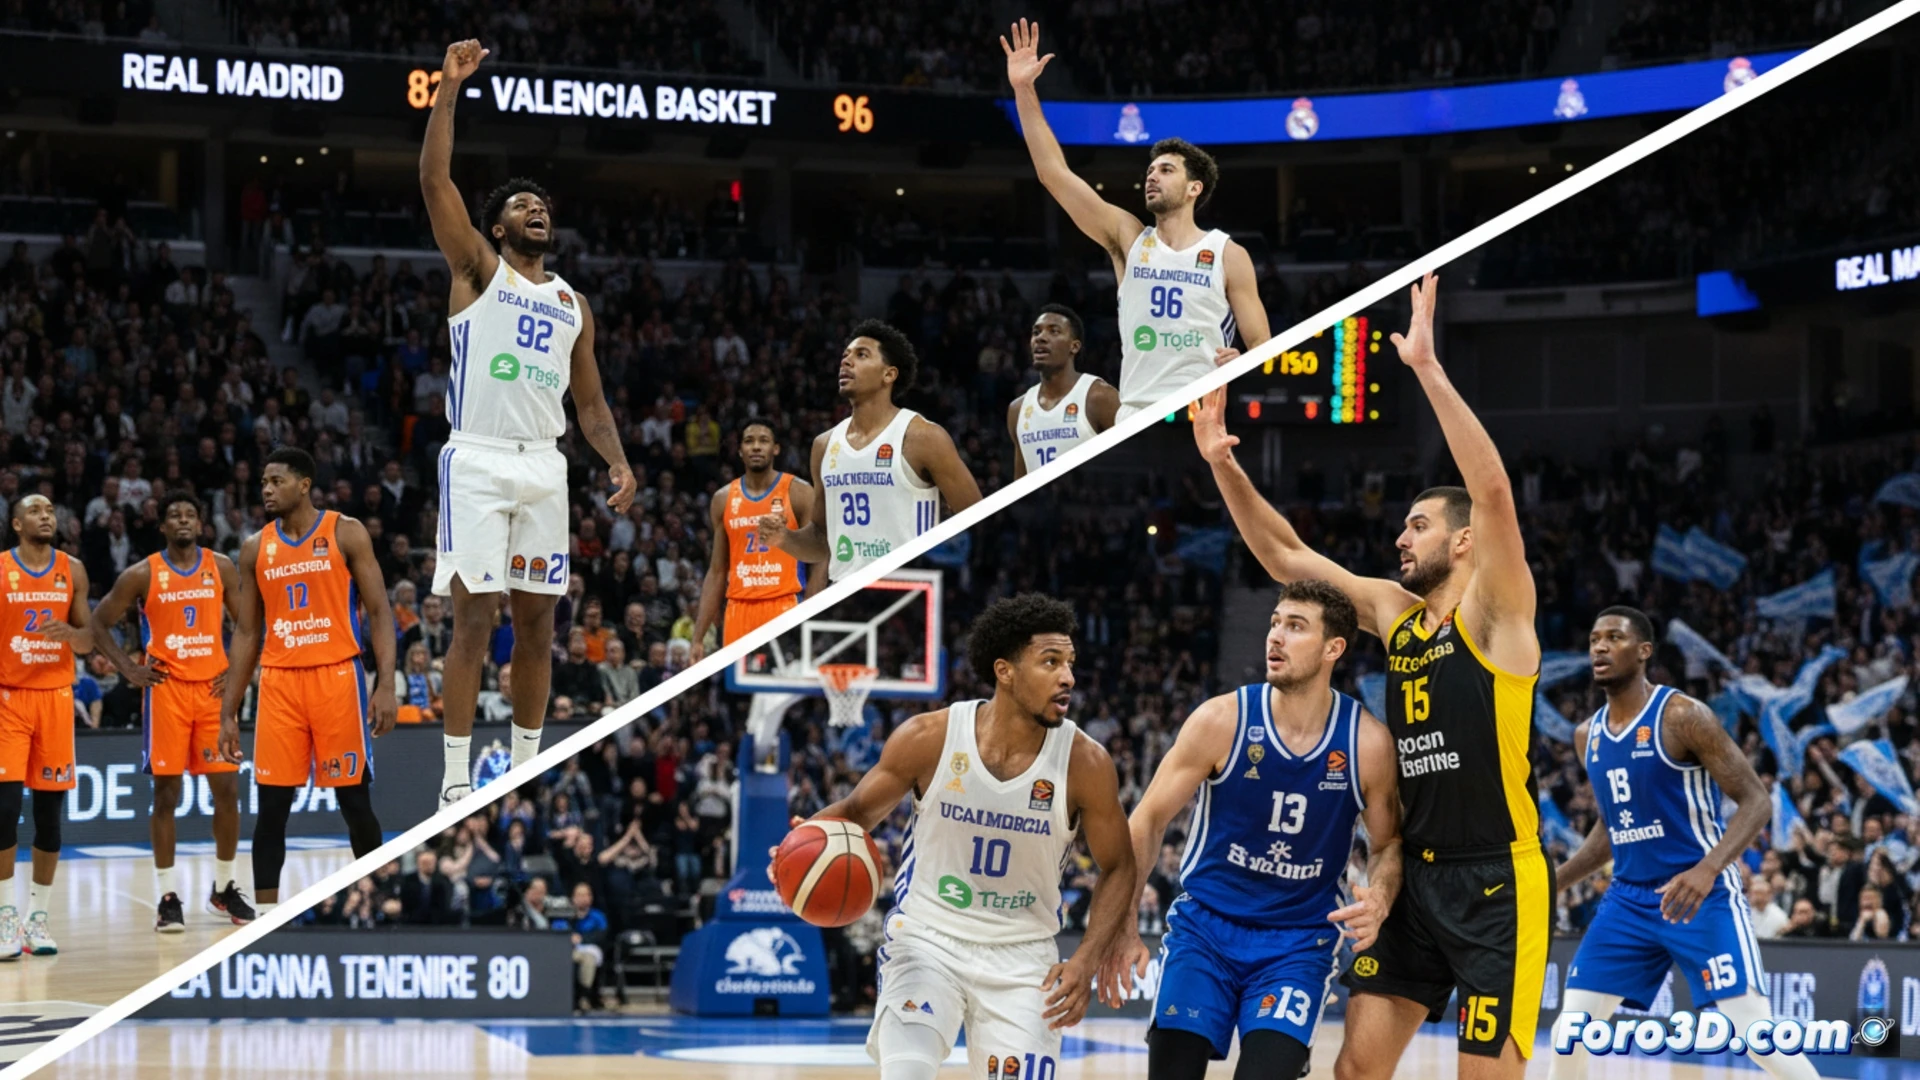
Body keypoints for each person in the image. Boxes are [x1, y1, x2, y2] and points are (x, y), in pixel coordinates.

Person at [1195, 275, 1546, 1079]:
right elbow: (1287, 558)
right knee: (1354, 1069)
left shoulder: (1495, 613)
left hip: (1499, 880)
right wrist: (1223, 464)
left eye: (1418, 526)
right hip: (1416, 879)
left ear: (1462, 544)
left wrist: (1427, 368)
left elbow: (1493, 496)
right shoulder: (1393, 614)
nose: (1400, 539)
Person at [784, 595, 1139, 1079]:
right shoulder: (928, 737)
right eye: (1051, 662)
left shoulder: (1086, 763)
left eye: (1070, 664)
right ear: (1005, 671)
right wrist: (794, 854)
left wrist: (1084, 960)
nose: (1068, 678)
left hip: (1023, 958)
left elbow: (1119, 865)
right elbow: (854, 813)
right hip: (928, 939)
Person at [420, 39, 638, 806]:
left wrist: (614, 459)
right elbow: (434, 178)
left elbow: (591, 403)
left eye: (542, 204)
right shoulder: (477, 269)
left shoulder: (573, 303)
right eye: (520, 205)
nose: (536, 208)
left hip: (546, 464)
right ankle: (453, 780)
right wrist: (449, 88)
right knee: (473, 621)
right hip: (477, 458)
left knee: (539, 625)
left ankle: (522, 767)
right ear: (498, 228)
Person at [1116, 582, 1399, 1079]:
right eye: (1274, 623)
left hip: (1297, 942)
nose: (1276, 636)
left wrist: (1380, 895)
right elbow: (1147, 819)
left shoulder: (1367, 743)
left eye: (1295, 626)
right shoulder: (1221, 720)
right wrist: (1123, 922)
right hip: (1205, 930)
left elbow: (1389, 842)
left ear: (1334, 648)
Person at [1550, 608, 1814, 1080]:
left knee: (1757, 1035)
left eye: (1614, 638)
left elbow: (1756, 800)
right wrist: (1554, 881)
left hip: (1699, 895)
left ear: (1644, 651)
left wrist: (1708, 868)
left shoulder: (1684, 716)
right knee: (1570, 1035)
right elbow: (1613, 828)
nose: (1600, 648)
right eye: (1594, 639)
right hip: (1627, 901)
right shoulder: (1585, 735)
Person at [1003, 20, 1269, 419]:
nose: (1151, 175)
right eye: (1150, 170)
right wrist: (1024, 89)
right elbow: (1053, 174)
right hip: (1136, 413)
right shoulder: (1128, 236)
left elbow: (1263, 343)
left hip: (1200, 413)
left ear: (1194, 188)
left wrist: (1245, 359)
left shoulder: (1227, 253)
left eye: (1166, 170)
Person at [219, 448, 397, 917]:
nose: (266, 489)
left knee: (353, 803)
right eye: (263, 482)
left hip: (338, 676)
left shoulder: (346, 531)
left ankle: (372, 902)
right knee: (272, 810)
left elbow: (379, 611)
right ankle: (262, 919)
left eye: (276, 481)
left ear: (303, 484)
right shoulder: (256, 547)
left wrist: (385, 684)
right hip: (278, 683)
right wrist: (228, 711)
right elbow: (246, 633)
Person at [79, 495, 257, 931]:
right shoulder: (141, 574)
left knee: (228, 792)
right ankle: (167, 898)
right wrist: (129, 670)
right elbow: (96, 623)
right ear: (162, 527)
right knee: (166, 796)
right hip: (167, 693)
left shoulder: (221, 566)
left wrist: (238, 673)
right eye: (174, 515)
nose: (183, 520)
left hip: (214, 693)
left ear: (201, 524)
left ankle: (223, 888)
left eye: (190, 515)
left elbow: (250, 625)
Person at [761, 322, 981, 583]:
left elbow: (977, 516)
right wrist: (785, 538)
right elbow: (821, 539)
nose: (846, 362)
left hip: (907, 589)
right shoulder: (824, 445)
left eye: (861, 355)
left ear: (888, 375)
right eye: (845, 356)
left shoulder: (923, 437)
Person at [0, 495, 93, 958]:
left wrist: (71, 635)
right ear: (17, 523)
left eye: (51, 511)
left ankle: (37, 918)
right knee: (3, 811)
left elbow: (88, 639)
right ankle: (4, 916)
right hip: (9, 699)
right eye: (36, 511)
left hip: (55, 700)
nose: (46, 516)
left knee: (49, 817)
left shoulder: (72, 569)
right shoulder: (1, 569)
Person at [690, 420, 816, 662]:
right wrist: (698, 637)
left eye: (763, 441)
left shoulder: (798, 492)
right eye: (749, 441)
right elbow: (716, 572)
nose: (756, 447)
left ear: (776, 449)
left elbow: (820, 557)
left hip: (784, 604)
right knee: (739, 695)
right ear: (740, 451)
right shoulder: (723, 499)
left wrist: (811, 610)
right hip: (738, 608)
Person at [1008, 305, 1118, 478]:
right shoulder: (1017, 409)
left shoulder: (1099, 397)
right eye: (1036, 332)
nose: (1041, 338)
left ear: (1074, 347)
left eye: (1054, 331)